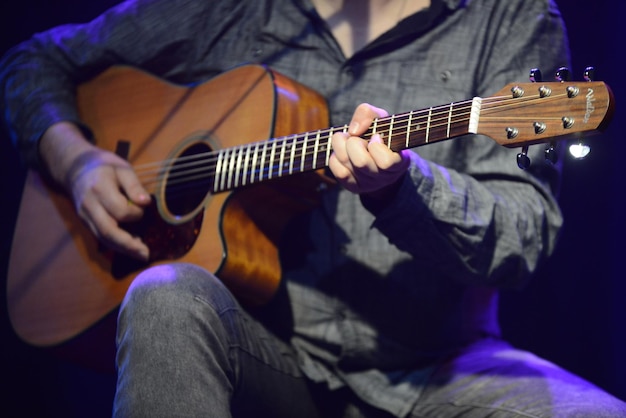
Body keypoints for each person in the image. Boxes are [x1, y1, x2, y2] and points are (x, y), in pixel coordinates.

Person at [1, 0, 625, 416]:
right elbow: (34, 61)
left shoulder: (508, 15)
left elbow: (524, 235)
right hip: (265, 352)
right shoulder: (239, 8)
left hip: (436, 367)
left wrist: (399, 189)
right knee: (165, 291)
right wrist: (75, 160)